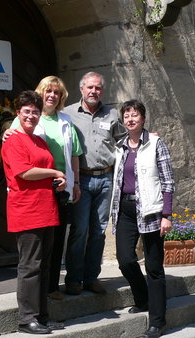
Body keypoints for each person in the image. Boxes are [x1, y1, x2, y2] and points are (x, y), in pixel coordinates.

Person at [3, 76, 83, 301]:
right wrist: (55, 173)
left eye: (57, 92)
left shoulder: (60, 124)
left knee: (50, 252)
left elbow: (74, 154)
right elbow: (20, 160)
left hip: (54, 194)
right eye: (48, 91)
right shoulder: (21, 128)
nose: (52, 95)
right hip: (30, 198)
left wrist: (71, 180)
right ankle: (30, 313)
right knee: (32, 261)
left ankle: (46, 299)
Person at [1, 90, 67, 335]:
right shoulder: (13, 140)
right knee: (30, 267)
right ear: (19, 114)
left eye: (35, 112)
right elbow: (24, 172)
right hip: (26, 209)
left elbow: (45, 169)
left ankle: (42, 316)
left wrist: (56, 182)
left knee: (45, 266)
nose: (31, 116)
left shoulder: (39, 140)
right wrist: (54, 174)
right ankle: (26, 319)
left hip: (46, 207)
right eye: (26, 111)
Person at [109, 99, 175, 338]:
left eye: (134, 115)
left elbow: (168, 182)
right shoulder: (120, 146)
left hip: (151, 211)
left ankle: (158, 321)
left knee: (154, 268)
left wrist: (166, 215)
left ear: (143, 119)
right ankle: (143, 298)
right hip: (125, 210)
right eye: (126, 115)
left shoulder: (157, 144)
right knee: (126, 260)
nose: (130, 119)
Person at [62, 72, 127, 295]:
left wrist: (146, 137)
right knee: (80, 230)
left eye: (98, 88)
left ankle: (91, 278)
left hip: (106, 178)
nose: (93, 91)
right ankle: (73, 279)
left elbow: (124, 139)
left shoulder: (111, 113)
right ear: (81, 89)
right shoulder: (68, 114)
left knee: (99, 231)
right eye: (90, 87)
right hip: (81, 179)